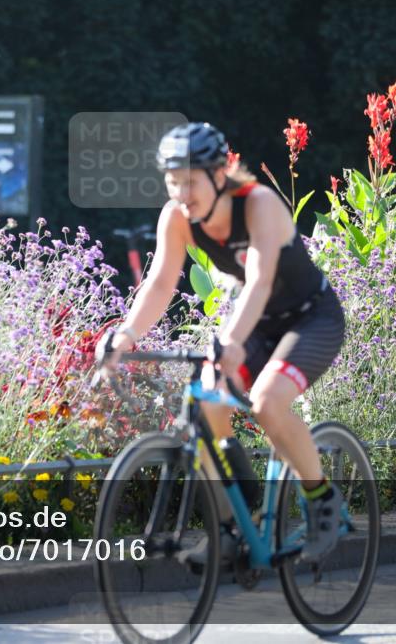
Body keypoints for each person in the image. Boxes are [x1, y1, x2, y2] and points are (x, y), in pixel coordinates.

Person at [97, 122, 347, 564]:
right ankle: (231, 527)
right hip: (256, 323)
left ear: (217, 176)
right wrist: (125, 335)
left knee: (268, 402)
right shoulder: (177, 217)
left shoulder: (258, 205)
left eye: (190, 182)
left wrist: (230, 339)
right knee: (206, 403)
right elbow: (159, 284)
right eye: (172, 183)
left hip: (310, 319)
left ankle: (321, 499)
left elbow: (260, 281)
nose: (181, 193)